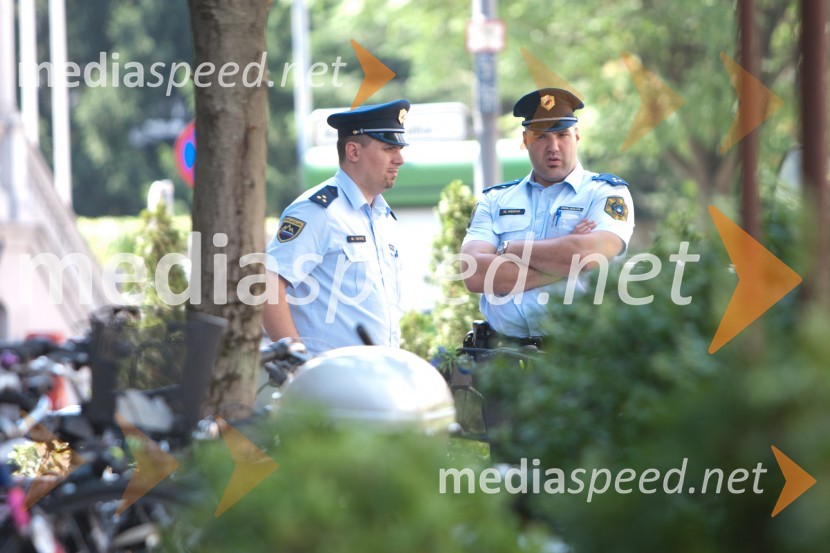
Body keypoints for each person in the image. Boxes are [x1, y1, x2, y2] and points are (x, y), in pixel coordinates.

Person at [461, 88, 635, 347]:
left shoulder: (605, 193)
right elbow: (473, 272)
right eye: (541, 136)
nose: (553, 146)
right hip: (502, 356)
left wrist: (507, 249)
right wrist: (565, 266)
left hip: (577, 353)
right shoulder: (496, 200)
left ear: (577, 136)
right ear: (526, 140)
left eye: (562, 135)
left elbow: (588, 255)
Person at [263, 99, 409, 354]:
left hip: (379, 375)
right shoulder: (317, 210)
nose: (400, 159)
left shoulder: (383, 216)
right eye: (388, 149)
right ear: (353, 152)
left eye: (399, 149)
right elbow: (267, 284)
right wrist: (297, 361)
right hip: (329, 380)